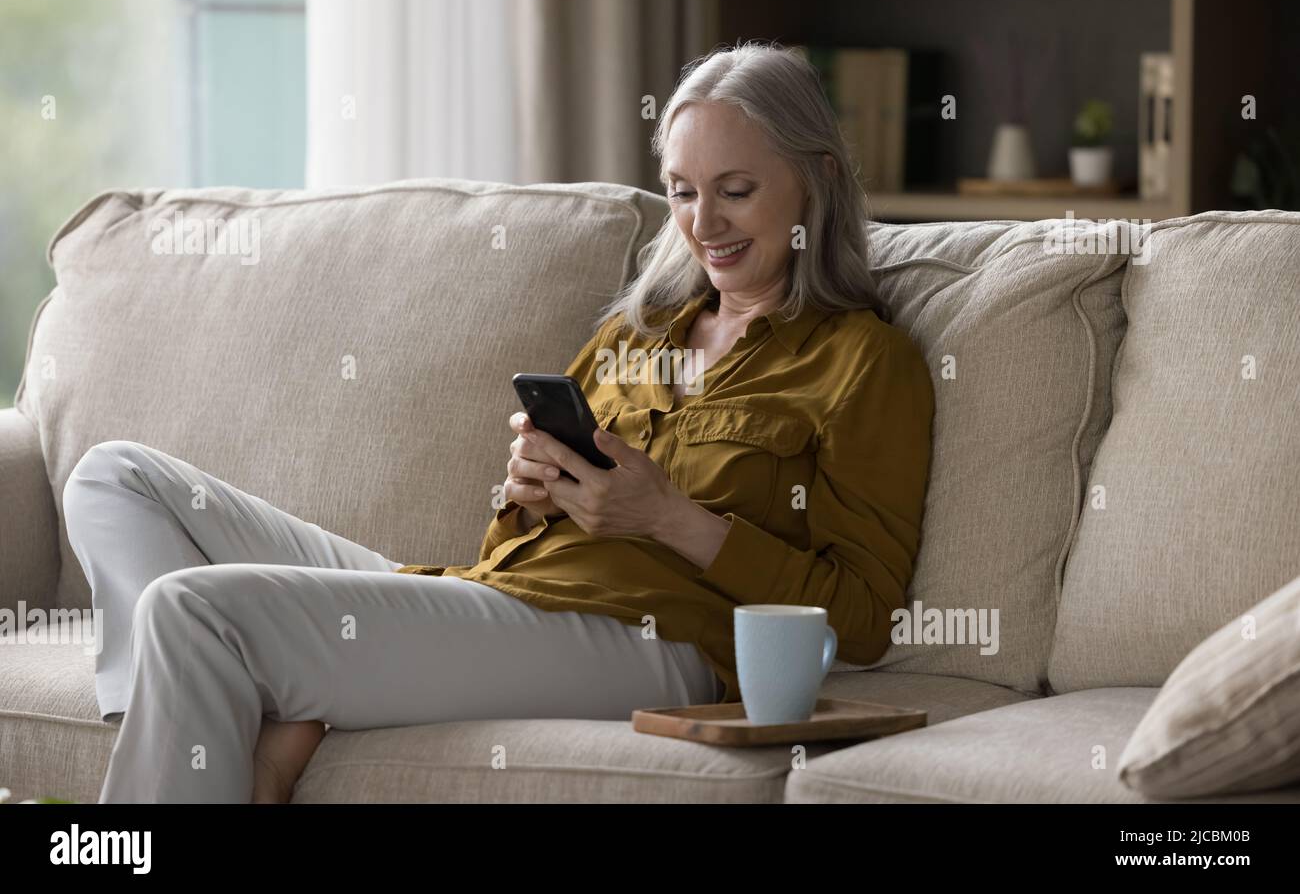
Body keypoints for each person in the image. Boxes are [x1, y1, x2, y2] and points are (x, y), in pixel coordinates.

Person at [66, 41, 934, 803]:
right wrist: (528, 495)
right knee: (114, 478)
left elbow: (857, 618)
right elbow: (504, 545)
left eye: (735, 191)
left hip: (647, 641)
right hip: (501, 594)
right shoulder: (636, 333)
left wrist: (669, 517)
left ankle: (226, 724)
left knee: (193, 608)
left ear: (815, 179)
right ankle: (218, 717)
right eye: (681, 192)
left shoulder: (863, 362)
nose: (703, 224)